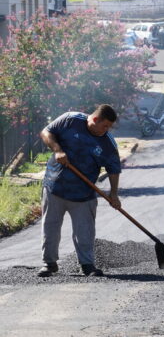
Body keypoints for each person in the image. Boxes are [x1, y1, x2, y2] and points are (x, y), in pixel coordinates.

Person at [37, 104, 122, 277]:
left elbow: (114, 168)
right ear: (95, 119)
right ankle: (49, 263)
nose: (107, 130)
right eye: (105, 126)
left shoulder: (107, 143)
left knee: (85, 231)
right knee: (50, 228)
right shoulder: (70, 120)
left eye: (109, 127)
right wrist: (58, 150)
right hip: (55, 187)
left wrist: (113, 194)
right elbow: (46, 132)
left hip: (84, 194)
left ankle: (87, 265)